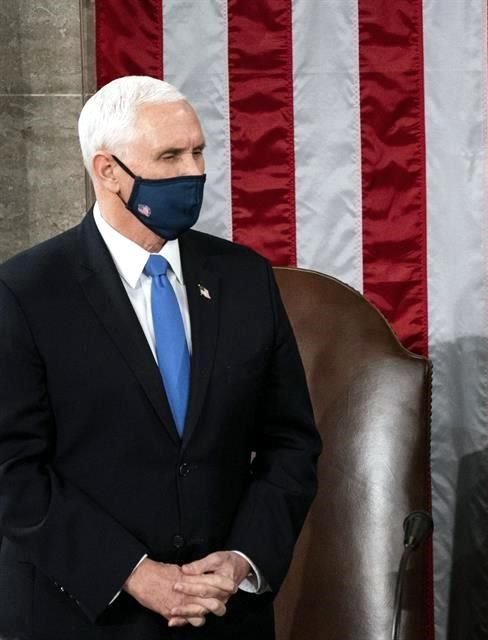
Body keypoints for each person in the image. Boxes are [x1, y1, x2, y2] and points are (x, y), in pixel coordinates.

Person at [0, 76, 322, 639]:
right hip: (82, 614)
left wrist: (244, 559)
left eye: (197, 151)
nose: (192, 172)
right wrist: (130, 572)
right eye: (169, 156)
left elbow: (290, 443)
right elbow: (12, 471)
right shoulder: (25, 292)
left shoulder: (245, 279)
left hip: (225, 615)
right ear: (107, 171)